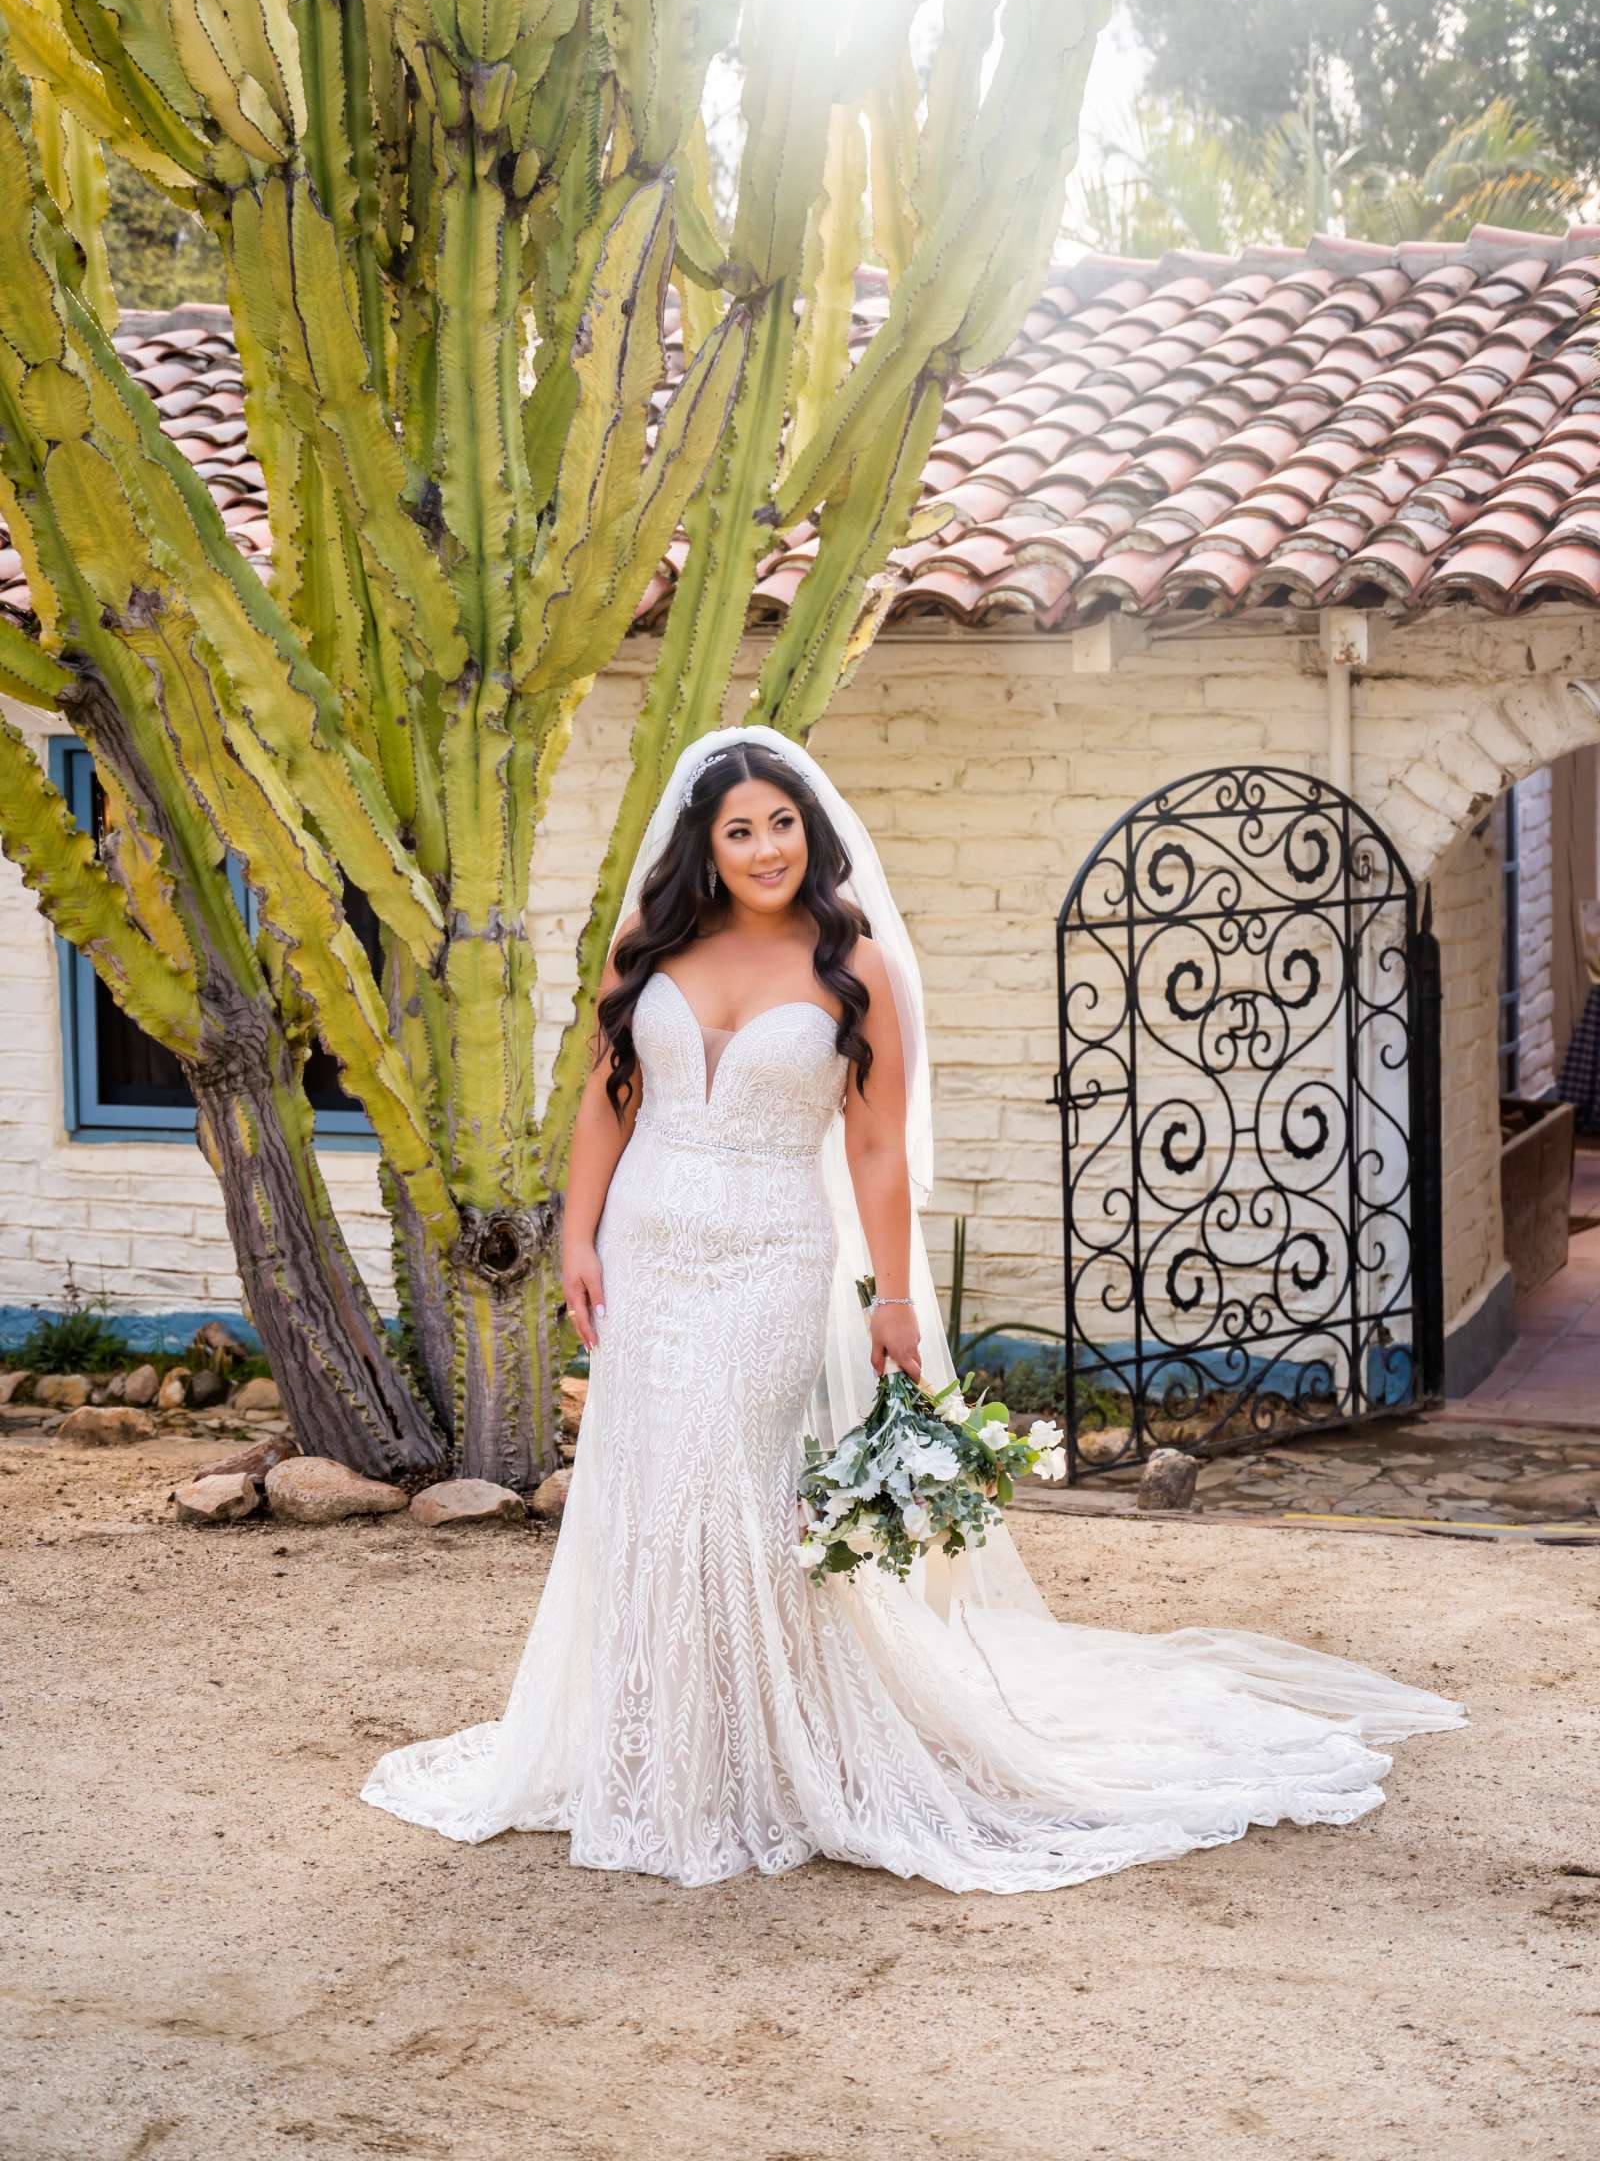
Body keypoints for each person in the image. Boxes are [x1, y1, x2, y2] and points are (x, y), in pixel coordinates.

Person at [360, 725, 1465, 1890]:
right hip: (647, 1252)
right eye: (739, 829)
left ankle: (753, 1756)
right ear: (706, 844)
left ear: (810, 829)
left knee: (728, 1489)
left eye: (781, 822)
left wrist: (892, 1296)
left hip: (769, 1258)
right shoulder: (649, 945)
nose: (765, 845)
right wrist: (577, 1234)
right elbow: (606, 1096)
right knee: (644, 1490)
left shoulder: (855, 965)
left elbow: (877, 1147)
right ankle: (649, 1750)